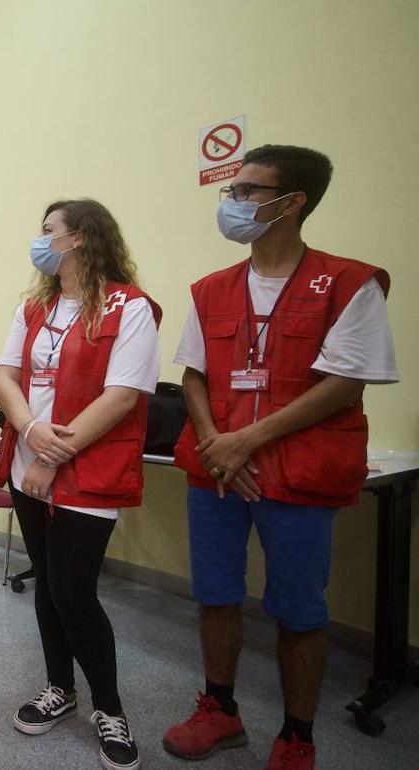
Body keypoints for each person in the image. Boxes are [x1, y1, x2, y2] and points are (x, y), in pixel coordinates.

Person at [163, 145, 397, 770]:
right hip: (218, 470)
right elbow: (193, 375)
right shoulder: (211, 289)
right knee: (215, 593)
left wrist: (245, 442)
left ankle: (297, 736)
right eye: (231, 191)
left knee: (298, 608)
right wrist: (218, 443)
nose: (232, 202)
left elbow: (345, 383)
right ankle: (220, 710)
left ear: (292, 202)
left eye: (247, 191)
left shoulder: (348, 284)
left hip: (296, 475)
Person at [0, 199, 157, 770]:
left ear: (81, 237)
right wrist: (30, 431)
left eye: (49, 231)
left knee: (74, 592)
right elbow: (6, 376)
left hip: (88, 470)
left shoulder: (129, 306)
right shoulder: (34, 307)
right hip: (26, 465)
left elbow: (122, 396)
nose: (40, 241)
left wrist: (51, 453)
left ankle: (110, 708)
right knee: (47, 583)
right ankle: (59, 688)